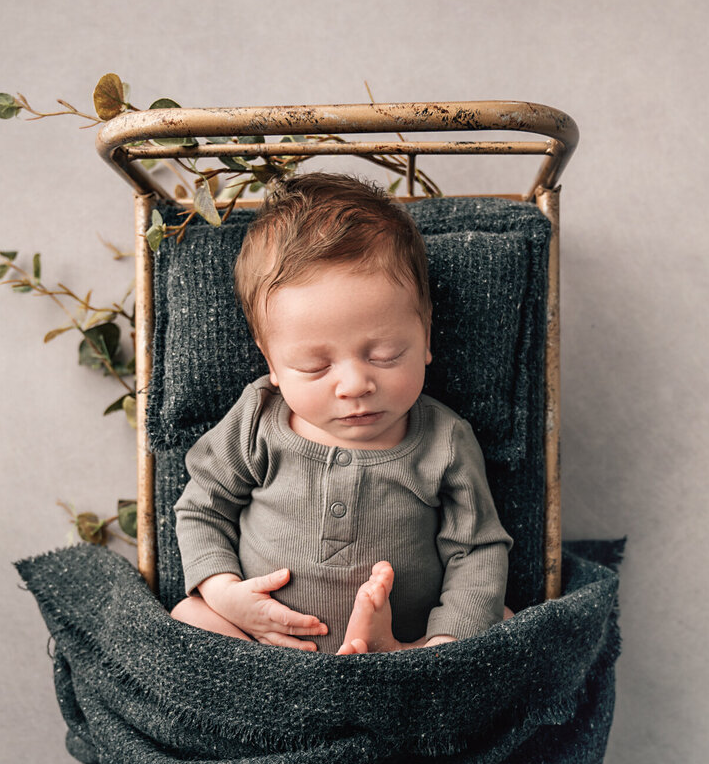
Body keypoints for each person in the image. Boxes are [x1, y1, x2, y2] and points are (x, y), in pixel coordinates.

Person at [170, 172, 513, 655]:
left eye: (387, 354)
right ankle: (284, 700)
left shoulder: (443, 440)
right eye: (313, 365)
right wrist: (226, 594)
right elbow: (202, 506)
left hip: (407, 650)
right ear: (271, 362)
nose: (355, 385)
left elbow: (476, 550)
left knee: (500, 619)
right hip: (265, 645)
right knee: (189, 616)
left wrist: (441, 643)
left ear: (426, 338)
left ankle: (407, 663)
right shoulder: (257, 421)